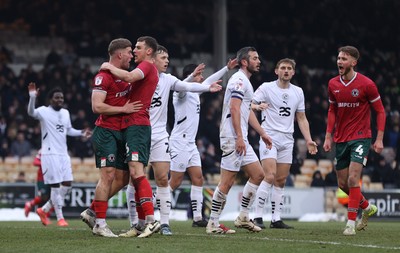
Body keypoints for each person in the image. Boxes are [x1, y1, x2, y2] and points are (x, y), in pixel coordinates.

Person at [122, 45, 222, 236]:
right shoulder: (138, 77)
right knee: (134, 179)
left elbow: (187, 86)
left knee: (162, 179)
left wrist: (208, 88)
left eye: (168, 57)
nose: (167, 61)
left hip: (160, 135)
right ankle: (136, 222)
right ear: (152, 59)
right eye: (163, 57)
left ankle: (165, 223)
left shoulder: (168, 79)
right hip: (139, 133)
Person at [83, 36, 161, 239]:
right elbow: (96, 106)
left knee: (132, 175)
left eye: (137, 48)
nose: (133, 52)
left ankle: (146, 222)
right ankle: (103, 222)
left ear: (149, 51)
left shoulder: (136, 70)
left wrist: (109, 66)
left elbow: (130, 78)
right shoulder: (105, 76)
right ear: (120, 54)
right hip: (112, 130)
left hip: (134, 126)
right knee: (115, 175)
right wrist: (123, 107)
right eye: (130, 49)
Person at [206, 46, 272, 234]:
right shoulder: (239, 80)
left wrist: (262, 133)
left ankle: (243, 216)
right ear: (245, 62)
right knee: (227, 181)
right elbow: (234, 109)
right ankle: (213, 222)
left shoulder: (245, 82)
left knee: (258, 174)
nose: (258, 61)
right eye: (255, 58)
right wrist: (240, 138)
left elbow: (246, 110)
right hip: (232, 137)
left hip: (239, 136)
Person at [323, 45, 386, 236]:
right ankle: (367, 207)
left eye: (344, 59)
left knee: (352, 178)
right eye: (338, 58)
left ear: (353, 62)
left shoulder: (367, 84)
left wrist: (379, 139)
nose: (339, 62)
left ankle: (350, 223)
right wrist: (328, 136)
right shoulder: (333, 84)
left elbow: (380, 111)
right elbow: (332, 110)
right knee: (342, 184)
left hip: (361, 137)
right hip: (341, 138)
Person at [168, 58, 238, 228]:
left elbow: (209, 81)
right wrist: (193, 75)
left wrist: (226, 68)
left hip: (190, 143)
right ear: (190, 76)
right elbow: (187, 84)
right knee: (175, 182)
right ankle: (153, 212)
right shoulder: (180, 92)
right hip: (179, 141)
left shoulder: (195, 93)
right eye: (199, 75)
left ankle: (198, 218)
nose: (201, 78)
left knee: (198, 178)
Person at [252, 58, 318, 229]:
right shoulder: (266, 87)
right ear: (276, 71)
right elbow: (248, 103)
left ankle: (276, 219)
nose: (286, 71)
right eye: (283, 68)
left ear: (293, 72)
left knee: (280, 180)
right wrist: (257, 107)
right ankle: (257, 216)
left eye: (289, 68)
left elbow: (301, 118)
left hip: (288, 139)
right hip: (269, 137)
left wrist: (309, 139)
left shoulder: (298, 92)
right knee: (270, 175)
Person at [27, 83, 92, 227]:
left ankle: (44, 210)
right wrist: (32, 98)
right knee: (55, 187)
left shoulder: (65, 113)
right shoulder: (43, 111)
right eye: (57, 98)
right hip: (50, 154)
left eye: (61, 98)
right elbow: (31, 112)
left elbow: (68, 130)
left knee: (67, 184)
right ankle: (60, 218)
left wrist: (81, 132)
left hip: (63, 154)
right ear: (51, 99)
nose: (60, 100)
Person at [24, 149, 54, 224]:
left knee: (54, 198)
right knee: (44, 197)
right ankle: (30, 205)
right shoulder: (43, 150)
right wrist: (45, 164)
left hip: (53, 178)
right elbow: (35, 162)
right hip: (42, 178)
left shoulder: (57, 149)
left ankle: (46, 216)